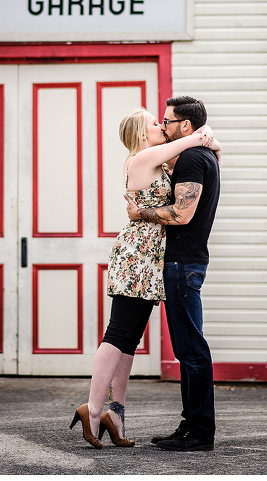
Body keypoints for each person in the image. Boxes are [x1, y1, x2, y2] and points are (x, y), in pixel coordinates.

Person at [69, 106, 221, 449]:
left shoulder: (157, 160)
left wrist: (215, 145)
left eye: (165, 121)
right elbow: (194, 137)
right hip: (137, 256)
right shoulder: (141, 159)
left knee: (130, 339)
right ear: (142, 134)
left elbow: (193, 147)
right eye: (155, 122)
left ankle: (116, 414)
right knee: (118, 332)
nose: (161, 126)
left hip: (153, 258)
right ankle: (93, 410)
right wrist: (203, 135)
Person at [125, 96, 220, 452]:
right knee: (189, 348)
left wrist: (141, 215)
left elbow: (182, 215)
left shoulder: (194, 158)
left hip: (181, 264)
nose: (163, 126)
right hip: (187, 263)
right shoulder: (204, 154)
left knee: (191, 350)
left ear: (184, 126)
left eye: (168, 121)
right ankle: (192, 426)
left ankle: (199, 432)